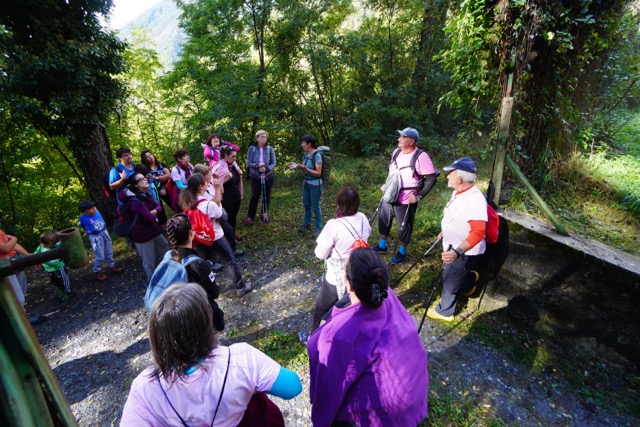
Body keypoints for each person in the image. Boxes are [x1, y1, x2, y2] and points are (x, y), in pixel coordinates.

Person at [121, 283, 302, 426]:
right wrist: (251, 388)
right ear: (206, 323)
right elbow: (292, 387)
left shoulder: (145, 387)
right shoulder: (241, 358)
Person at [306, 248, 428, 426]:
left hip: (386, 417)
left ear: (349, 285)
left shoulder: (340, 335)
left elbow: (329, 389)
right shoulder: (386, 295)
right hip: (413, 398)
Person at [299, 187, 371, 343]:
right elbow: (368, 233)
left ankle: (314, 339)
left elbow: (320, 253)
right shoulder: (363, 218)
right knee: (349, 310)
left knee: (321, 309)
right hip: (358, 271)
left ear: (339, 205)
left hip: (336, 277)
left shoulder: (333, 225)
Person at [428, 157, 487, 322]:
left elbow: (478, 232)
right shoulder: (458, 193)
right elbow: (455, 216)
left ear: (459, 179)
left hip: (463, 252)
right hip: (452, 248)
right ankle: (469, 281)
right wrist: (444, 231)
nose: (447, 177)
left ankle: (445, 312)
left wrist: (457, 252)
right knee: (452, 274)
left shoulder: (474, 200)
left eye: (450, 174)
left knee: (449, 283)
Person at [179, 173, 253, 297]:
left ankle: (207, 288)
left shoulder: (188, 202)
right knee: (230, 259)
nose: (208, 183)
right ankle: (240, 287)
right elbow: (223, 217)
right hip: (214, 236)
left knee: (205, 262)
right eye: (206, 182)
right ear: (202, 186)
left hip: (199, 236)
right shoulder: (208, 204)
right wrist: (218, 189)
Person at [372, 127, 438, 264]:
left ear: (411, 141)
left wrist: (419, 196)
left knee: (404, 226)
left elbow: (431, 178)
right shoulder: (396, 152)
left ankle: (402, 252)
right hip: (390, 193)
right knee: (384, 219)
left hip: (406, 198)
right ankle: (382, 246)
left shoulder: (421, 156)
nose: (399, 139)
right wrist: (387, 184)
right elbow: (392, 171)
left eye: (402, 137)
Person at [165, 214, 225, 331]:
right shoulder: (198, 264)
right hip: (199, 312)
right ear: (191, 234)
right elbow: (214, 292)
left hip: (179, 312)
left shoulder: (169, 258)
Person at [119, 173, 170, 282]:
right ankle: (153, 283)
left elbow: (158, 206)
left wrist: (154, 212)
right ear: (136, 185)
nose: (145, 179)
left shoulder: (146, 194)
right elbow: (149, 218)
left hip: (153, 230)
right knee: (148, 261)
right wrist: (151, 214)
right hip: (142, 235)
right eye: (141, 179)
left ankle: (168, 272)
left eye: (144, 177)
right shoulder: (134, 201)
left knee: (164, 246)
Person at [0, 228, 46, 325]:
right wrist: (14, 238)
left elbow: (13, 245)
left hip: (14, 261)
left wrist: (28, 256)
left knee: (21, 292)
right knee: (16, 298)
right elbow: (5, 248)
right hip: (4, 266)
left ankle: (24, 320)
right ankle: (21, 325)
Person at [78, 200, 124, 281]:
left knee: (109, 251)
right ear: (85, 211)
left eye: (94, 207)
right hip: (95, 237)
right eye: (91, 209)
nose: (94, 209)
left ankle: (111, 266)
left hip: (104, 232)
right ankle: (97, 271)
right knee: (100, 256)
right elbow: (82, 225)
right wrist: (87, 231)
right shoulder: (83, 218)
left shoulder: (97, 212)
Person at [288, 133, 323, 238]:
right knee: (306, 204)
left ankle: (318, 226)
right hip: (306, 183)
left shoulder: (317, 155)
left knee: (315, 206)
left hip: (315, 184)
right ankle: (307, 223)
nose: (302, 145)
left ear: (310, 144)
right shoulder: (306, 154)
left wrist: (306, 169)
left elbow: (318, 173)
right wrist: (298, 166)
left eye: (303, 143)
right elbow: (304, 166)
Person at [245, 130, 276, 225]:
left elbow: (274, 163)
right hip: (255, 176)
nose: (264, 139)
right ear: (257, 138)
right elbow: (249, 163)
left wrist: (266, 169)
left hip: (268, 175)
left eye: (265, 137)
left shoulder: (270, 149)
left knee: (267, 195)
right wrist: (257, 165)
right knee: (255, 196)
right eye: (262, 137)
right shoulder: (252, 149)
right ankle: (250, 216)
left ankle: (264, 213)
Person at [34, 230, 73, 300]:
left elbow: (55, 263)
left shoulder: (57, 248)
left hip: (59, 268)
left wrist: (43, 260)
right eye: (42, 243)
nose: (43, 245)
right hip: (49, 269)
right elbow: (36, 253)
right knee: (54, 282)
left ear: (52, 242)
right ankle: (62, 291)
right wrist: (36, 261)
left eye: (46, 244)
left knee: (63, 281)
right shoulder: (42, 246)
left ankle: (68, 292)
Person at [220, 146, 244, 239]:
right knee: (227, 218)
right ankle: (227, 237)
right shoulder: (219, 167)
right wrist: (226, 179)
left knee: (233, 216)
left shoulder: (233, 165)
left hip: (235, 195)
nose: (235, 158)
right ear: (226, 156)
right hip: (226, 197)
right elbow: (214, 185)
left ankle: (232, 234)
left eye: (235, 156)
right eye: (233, 156)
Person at [169, 149, 194, 213]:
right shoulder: (175, 169)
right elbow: (180, 186)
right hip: (182, 191)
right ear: (179, 159)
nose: (188, 157)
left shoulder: (190, 166)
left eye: (187, 155)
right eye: (185, 156)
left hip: (191, 187)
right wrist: (192, 187)